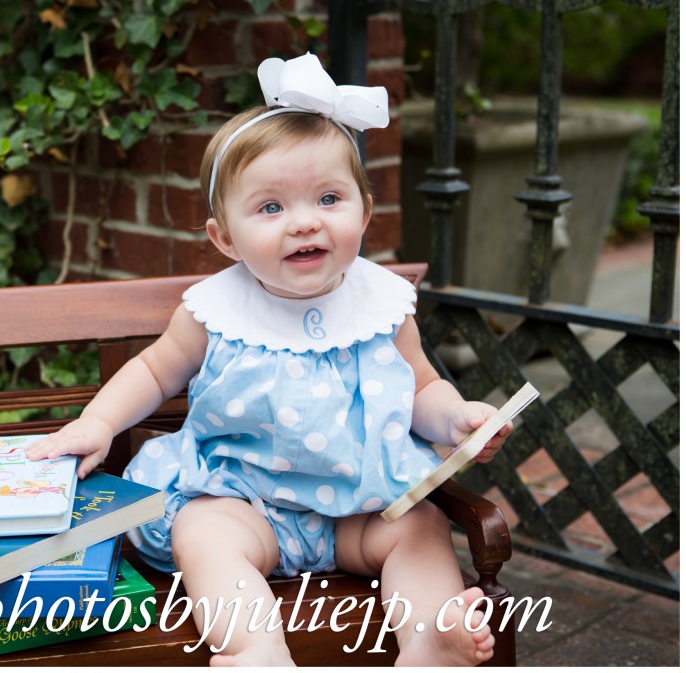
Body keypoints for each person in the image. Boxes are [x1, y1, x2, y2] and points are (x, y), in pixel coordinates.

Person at [28, 52, 510, 667]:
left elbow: (419, 386)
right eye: (271, 208)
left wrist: (457, 420)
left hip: (357, 511)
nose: (304, 223)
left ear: (364, 211)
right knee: (203, 534)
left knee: (418, 528)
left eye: (328, 198)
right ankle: (255, 649)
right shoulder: (216, 311)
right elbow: (153, 371)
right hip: (244, 503)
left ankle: (432, 641)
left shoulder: (383, 305)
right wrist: (97, 423)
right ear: (224, 237)